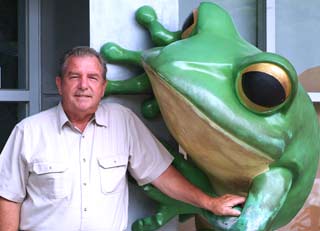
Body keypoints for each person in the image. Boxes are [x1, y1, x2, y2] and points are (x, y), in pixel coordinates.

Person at [0, 46, 245, 231]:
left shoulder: (123, 122)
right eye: (74, 77)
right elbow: (9, 197)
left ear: (103, 87)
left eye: (92, 78)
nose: (83, 85)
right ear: (60, 84)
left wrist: (209, 202)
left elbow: (162, 175)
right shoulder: (28, 132)